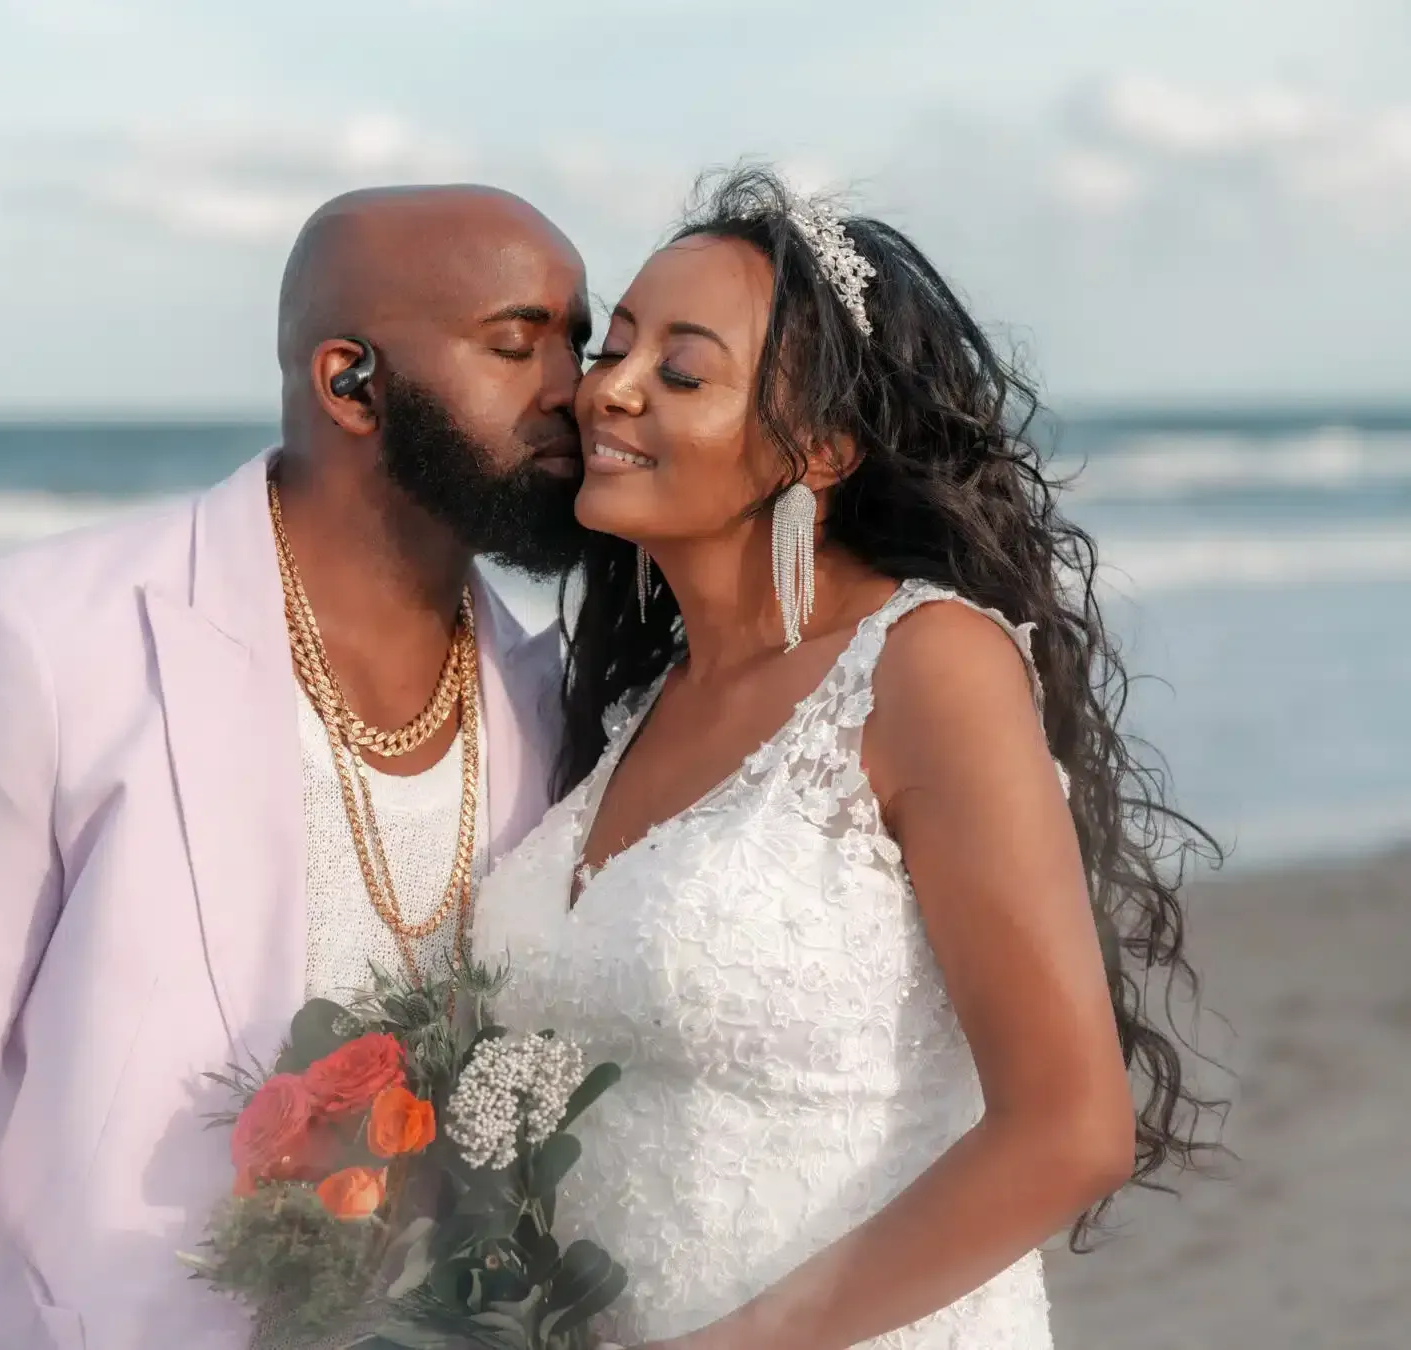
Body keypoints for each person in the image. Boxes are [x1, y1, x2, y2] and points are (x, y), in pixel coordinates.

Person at [0, 185, 592, 1349]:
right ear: (352, 382)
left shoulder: (548, 694)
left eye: (579, 341)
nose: (576, 387)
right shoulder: (40, 637)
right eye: (518, 345)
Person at [472, 165, 1219, 1348]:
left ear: (818, 450)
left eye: (681, 371)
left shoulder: (925, 668)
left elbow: (1072, 1130)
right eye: (613, 348)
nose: (608, 388)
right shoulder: (637, 707)